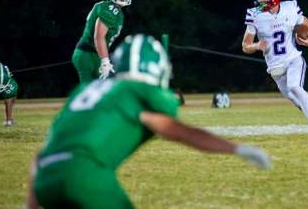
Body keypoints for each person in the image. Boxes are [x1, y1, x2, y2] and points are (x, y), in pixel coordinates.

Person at [26, 34, 270, 209]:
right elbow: (176, 130)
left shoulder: (84, 91)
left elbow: (41, 155)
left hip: (46, 178)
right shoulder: (139, 91)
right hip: (86, 175)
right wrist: (236, 148)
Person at [241, 0, 308, 139]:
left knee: (295, 87)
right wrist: (257, 46)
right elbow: (246, 46)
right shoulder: (255, 14)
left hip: (294, 59)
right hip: (275, 67)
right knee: (296, 100)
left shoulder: (290, 7)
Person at [72, 0, 133, 83]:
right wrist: (105, 61)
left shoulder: (117, 12)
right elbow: (99, 37)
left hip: (94, 54)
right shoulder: (109, 9)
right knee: (90, 93)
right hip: (88, 54)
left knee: (105, 91)